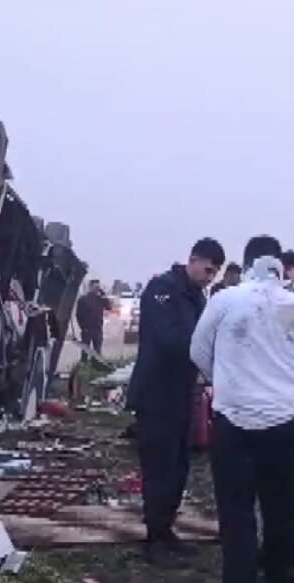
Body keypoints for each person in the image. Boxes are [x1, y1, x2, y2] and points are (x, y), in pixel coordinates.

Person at [191, 235, 294, 583]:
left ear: (247, 262)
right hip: (288, 421)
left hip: (235, 420)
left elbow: (198, 351)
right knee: (285, 507)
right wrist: (283, 386)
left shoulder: (225, 300)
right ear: (280, 264)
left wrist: (227, 380)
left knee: (237, 511)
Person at [127, 237, 226, 566]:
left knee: (179, 466)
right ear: (193, 260)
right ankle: (153, 539)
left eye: (214, 274)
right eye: (207, 270)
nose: (209, 277)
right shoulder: (163, 290)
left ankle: (166, 528)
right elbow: (173, 340)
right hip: (157, 393)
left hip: (182, 392)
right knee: (158, 467)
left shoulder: (197, 296)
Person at [74, 280, 113, 356]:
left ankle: (96, 366)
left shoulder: (100, 299)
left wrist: (103, 294)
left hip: (98, 329)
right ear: (90, 287)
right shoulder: (83, 299)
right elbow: (78, 315)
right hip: (87, 329)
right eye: (95, 287)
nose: (96, 289)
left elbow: (109, 307)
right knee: (85, 352)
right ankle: (84, 366)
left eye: (98, 287)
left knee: (97, 352)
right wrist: (83, 327)